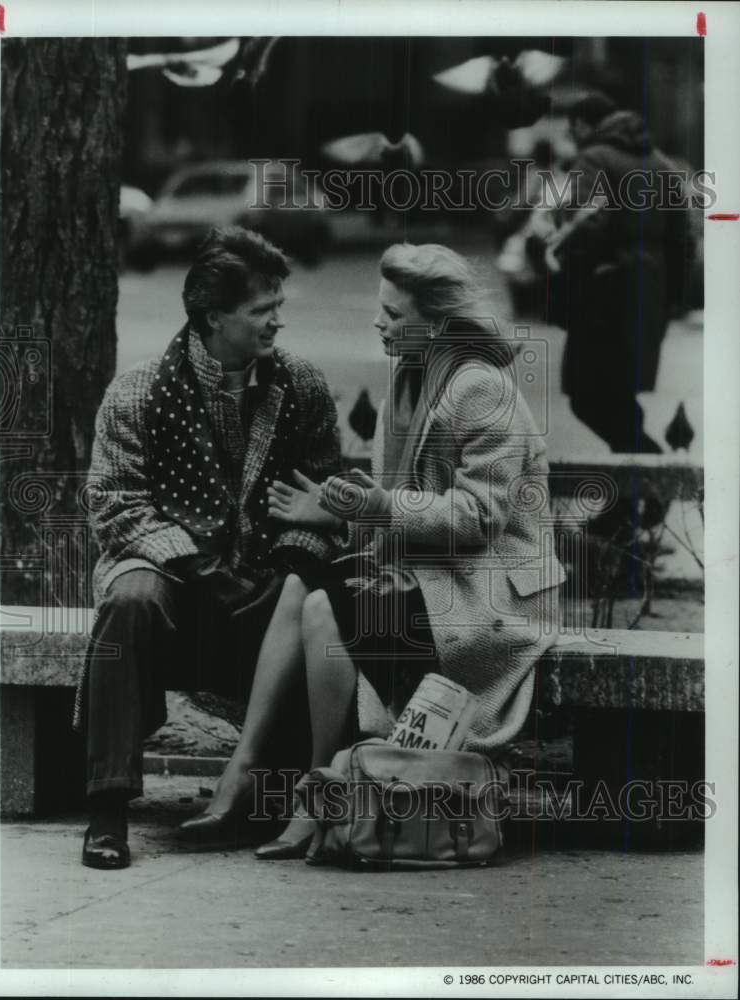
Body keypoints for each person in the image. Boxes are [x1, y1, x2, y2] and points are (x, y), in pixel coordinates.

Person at [184, 242, 566, 859]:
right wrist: (342, 512)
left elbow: (478, 519)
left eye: (392, 314)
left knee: (323, 606)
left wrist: (362, 507)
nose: (379, 324)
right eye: (379, 310)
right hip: (434, 583)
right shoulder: (406, 389)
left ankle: (313, 795)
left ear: (435, 322)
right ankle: (259, 771)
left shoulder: (479, 389)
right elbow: (396, 515)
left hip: (491, 600)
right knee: (301, 583)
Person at [77, 226, 342, 870]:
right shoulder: (136, 392)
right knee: (129, 602)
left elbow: (322, 498)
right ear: (212, 316)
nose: (277, 322)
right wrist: (198, 567)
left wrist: (285, 565)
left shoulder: (300, 386)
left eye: (279, 306)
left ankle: (270, 792)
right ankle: (108, 810)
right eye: (262, 310)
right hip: (169, 583)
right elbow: (114, 505)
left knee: (307, 600)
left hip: (261, 590)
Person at [545, 91, 693, 455]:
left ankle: (649, 475)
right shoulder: (663, 164)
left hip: (602, 296)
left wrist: (558, 260)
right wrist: (672, 298)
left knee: (587, 397)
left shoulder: (592, 159)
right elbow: (684, 241)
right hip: (649, 297)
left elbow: (583, 227)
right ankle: (631, 503)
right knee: (620, 395)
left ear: (582, 124)